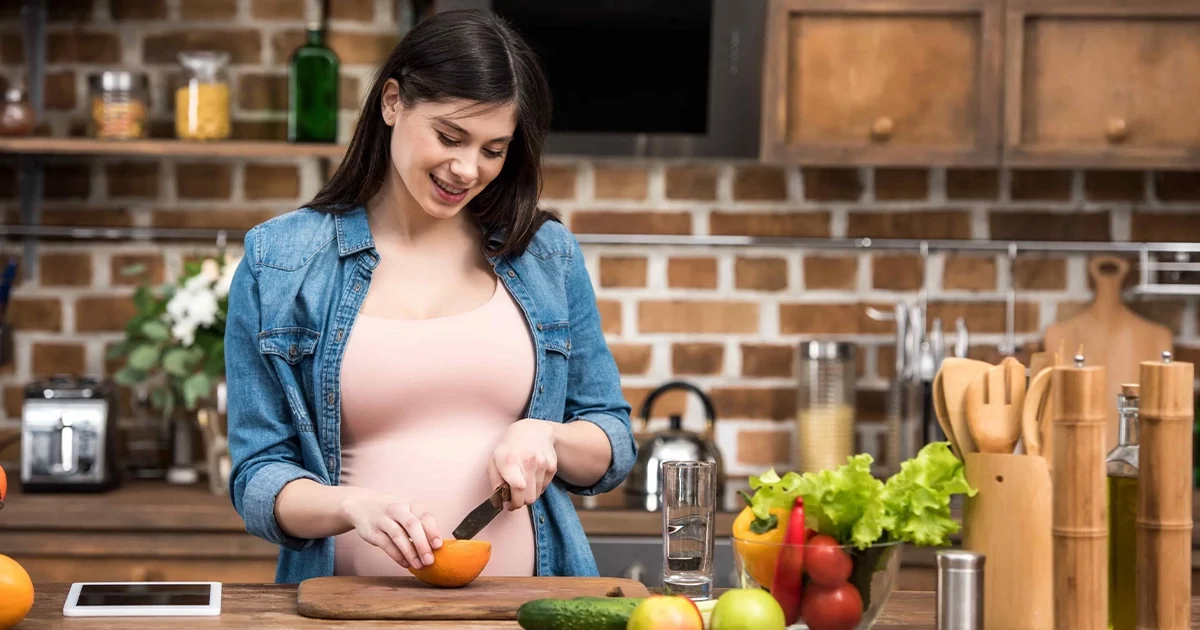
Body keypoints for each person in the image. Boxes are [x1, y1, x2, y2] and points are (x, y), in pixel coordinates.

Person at [223, 9, 635, 584]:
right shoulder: (280, 261)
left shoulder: (544, 255)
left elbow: (611, 440)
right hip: (345, 613)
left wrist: (549, 436)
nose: (467, 169)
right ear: (392, 102)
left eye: (495, 149)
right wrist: (351, 505)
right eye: (450, 136)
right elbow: (258, 476)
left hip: (526, 611)